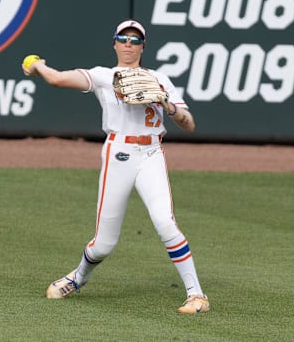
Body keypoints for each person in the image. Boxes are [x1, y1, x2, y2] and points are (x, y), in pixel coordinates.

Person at [21, 19, 210, 314]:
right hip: (118, 152)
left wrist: (168, 105)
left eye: (135, 40)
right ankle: (78, 277)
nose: (129, 44)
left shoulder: (159, 79)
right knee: (104, 244)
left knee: (165, 221)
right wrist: (38, 66)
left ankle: (196, 295)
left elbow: (189, 123)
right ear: (114, 43)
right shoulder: (103, 76)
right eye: (123, 38)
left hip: (151, 152)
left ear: (143, 47)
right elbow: (57, 79)